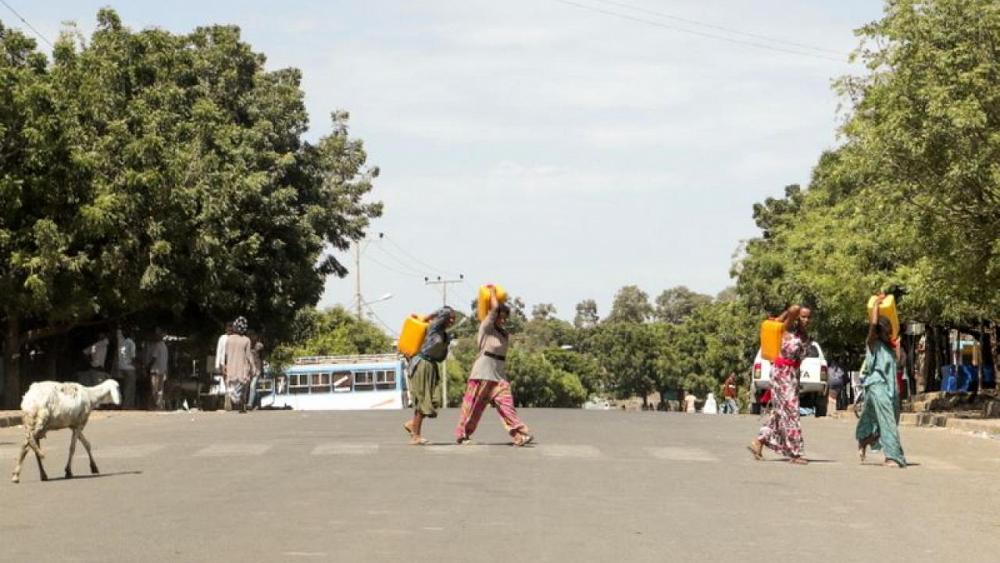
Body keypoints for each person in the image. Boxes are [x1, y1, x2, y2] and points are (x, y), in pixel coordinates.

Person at [454, 287, 534, 446]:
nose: (503, 321)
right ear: (494, 316)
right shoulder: (486, 328)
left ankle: (518, 434)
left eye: (505, 318)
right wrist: (492, 293)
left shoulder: (504, 334)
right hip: (482, 372)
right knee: (473, 408)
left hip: (498, 375)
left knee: (506, 405)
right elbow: (495, 308)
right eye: (500, 317)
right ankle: (462, 435)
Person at [748, 305, 812, 465]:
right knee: (792, 412)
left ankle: (759, 441)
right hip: (781, 374)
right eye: (803, 316)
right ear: (796, 317)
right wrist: (788, 314)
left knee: (779, 413)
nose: (806, 320)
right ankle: (795, 453)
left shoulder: (803, 335)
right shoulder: (785, 329)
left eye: (808, 317)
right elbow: (793, 309)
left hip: (792, 375)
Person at [855, 294, 907, 468]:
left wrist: (898, 348)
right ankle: (892, 457)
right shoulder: (872, 343)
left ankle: (865, 440)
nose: (889, 333)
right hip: (877, 384)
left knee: (890, 421)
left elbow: (900, 364)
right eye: (886, 331)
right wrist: (876, 306)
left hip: (891, 387)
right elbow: (873, 326)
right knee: (887, 420)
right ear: (879, 332)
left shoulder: (891, 347)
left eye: (891, 330)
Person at [403, 307, 455, 445]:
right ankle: (416, 436)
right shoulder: (433, 328)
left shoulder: (445, 335)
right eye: (449, 317)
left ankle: (412, 424)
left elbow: (441, 356)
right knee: (422, 400)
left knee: (433, 400)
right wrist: (427, 317)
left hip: (432, 366)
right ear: (443, 317)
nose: (451, 320)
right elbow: (441, 311)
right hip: (421, 364)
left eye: (453, 318)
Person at [223, 316, 257, 413]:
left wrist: (224, 365)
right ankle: (242, 405)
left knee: (232, 387)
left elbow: (226, 354)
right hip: (242, 368)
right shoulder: (246, 340)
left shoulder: (229, 339)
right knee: (244, 387)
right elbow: (248, 355)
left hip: (231, 367)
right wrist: (253, 366)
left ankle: (229, 396)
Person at [147, 328, 169, 410]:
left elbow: (154, 357)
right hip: (162, 370)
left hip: (155, 370)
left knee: (154, 389)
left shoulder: (157, 345)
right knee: (160, 389)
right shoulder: (164, 346)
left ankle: (156, 404)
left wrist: (148, 366)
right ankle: (159, 405)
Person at [115, 327, 137, 409]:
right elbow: (133, 357)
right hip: (129, 368)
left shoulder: (121, 342)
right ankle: (127, 405)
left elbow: (119, 333)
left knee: (124, 386)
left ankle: (123, 403)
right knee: (130, 387)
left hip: (121, 367)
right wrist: (137, 366)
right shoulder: (131, 343)